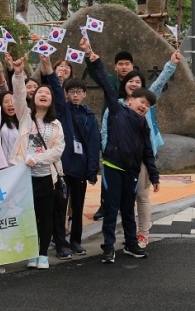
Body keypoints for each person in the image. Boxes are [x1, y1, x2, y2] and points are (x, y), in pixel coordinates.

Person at [82, 47, 160, 263]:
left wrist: (153, 175)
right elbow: (107, 86)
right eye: (141, 102)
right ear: (131, 99)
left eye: (147, 105)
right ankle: (108, 247)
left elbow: (146, 151)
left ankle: (131, 244)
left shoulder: (143, 124)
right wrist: (95, 61)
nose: (143, 107)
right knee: (111, 208)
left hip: (132, 171)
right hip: (113, 168)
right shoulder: (117, 110)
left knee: (128, 209)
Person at [101, 49, 180, 248]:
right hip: (118, 160)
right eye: (130, 81)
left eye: (138, 81)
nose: (134, 84)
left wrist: (171, 63)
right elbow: (105, 131)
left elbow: (160, 83)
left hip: (143, 157)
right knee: (122, 201)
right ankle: (123, 238)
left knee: (142, 197)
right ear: (124, 84)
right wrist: (108, 152)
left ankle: (143, 234)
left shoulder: (145, 103)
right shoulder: (116, 105)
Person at [41, 56, 99, 259]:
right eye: (71, 92)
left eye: (79, 92)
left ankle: (76, 241)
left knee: (78, 206)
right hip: (63, 169)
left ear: (84, 94)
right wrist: (49, 70)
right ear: (66, 94)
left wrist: (92, 169)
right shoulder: (62, 111)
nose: (75, 95)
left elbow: (93, 144)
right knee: (60, 207)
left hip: (81, 168)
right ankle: (61, 243)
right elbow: (55, 89)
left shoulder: (90, 116)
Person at [9, 56, 64, 270]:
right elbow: (18, 95)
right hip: (23, 177)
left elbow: (58, 151)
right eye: (40, 92)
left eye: (47, 93)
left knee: (45, 216)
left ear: (51, 101)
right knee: (27, 217)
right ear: (34, 98)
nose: (43, 94)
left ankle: (42, 254)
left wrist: (36, 158)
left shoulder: (56, 124)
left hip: (46, 177)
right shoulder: (25, 116)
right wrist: (17, 74)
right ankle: (31, 252)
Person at [0, 90, 19, 162]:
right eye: (6, 102)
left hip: (23, 165)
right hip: (4, 167)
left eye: (13, 101)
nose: (10, 104)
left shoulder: (24, 122)